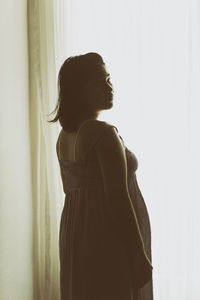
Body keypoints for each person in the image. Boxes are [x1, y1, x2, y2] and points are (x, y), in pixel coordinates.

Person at [48, 52, 154, 300]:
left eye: (109, 79)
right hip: (107, 237)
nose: (110, 87)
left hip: (77, 237)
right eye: (100, 82)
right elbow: (117, 198)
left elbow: (70, 192)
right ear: (79, 90)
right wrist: (138, 255)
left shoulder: (64, 137)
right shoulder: (102, 134)